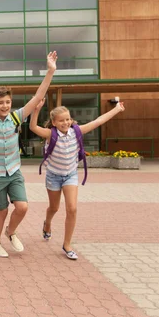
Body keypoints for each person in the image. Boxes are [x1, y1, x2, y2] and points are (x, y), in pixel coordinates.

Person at [0, 52, 58, 258]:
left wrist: (50, 70)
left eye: (8, 101)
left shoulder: (17, 117)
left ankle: (11, 231)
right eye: (1, 102)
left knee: (22, 207)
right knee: (2, 210)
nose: (5, 105)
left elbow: (37, 96)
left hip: (14, 170)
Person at [30, 97, 125, 260]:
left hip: (70, 175)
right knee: (54, 208)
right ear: (54, 122)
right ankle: (47, 223)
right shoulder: (50, 134)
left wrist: (116, 109)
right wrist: (36, 110)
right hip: (53, 176)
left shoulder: (76, 132)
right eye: (61, 120)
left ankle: (67, 244)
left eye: (67, 119)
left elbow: (98, 120)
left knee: (72, 208)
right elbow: (32, 127)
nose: (65, 123)